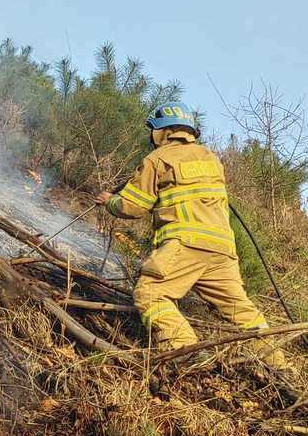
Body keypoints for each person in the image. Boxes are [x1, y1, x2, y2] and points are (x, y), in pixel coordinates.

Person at [96, 105, 286, 367]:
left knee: (150, 294)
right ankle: (277, 364)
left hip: (186, 244)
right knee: (241, 311)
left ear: (162, 131)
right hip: (222, 250)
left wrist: (110, 202)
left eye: (153, 131)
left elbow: (134, 206)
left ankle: (187, 354)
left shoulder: (158, 159)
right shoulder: (210, 158)